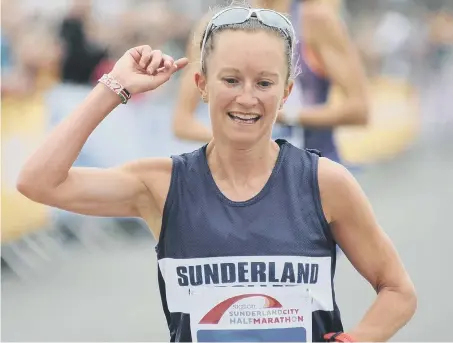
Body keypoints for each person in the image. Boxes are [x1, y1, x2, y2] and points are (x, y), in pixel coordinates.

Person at [17, 5, 416, 343]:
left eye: (264, 82)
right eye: (230, 80)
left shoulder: (324, 182)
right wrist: (115, 87)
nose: (247, 97)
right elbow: (38, 181)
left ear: (287, 92)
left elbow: (397, 290)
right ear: (201, 85)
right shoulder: (162, 185)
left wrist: (354, 339)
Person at [173, 0, 369, 164]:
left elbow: (359, 110)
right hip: (242, 181)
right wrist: (241, 140)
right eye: (232, 80)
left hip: (312, 176)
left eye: (265, 84)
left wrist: (287, 116)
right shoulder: (214, 27)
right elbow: (182, 123)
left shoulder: (316, 21)